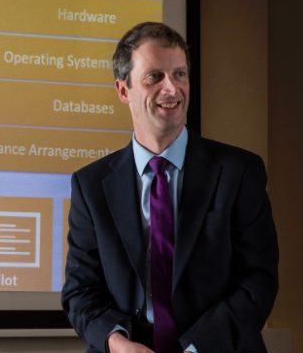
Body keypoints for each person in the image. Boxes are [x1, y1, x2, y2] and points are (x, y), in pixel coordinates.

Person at [61, 22, 278, 353]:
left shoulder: (239, 172)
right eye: (155, 77)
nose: (172, 89)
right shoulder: (91, 186)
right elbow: (81, 292)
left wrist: (194, 350)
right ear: (123, 90)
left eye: (180, 75)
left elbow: (257, 281)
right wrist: (117, 343)